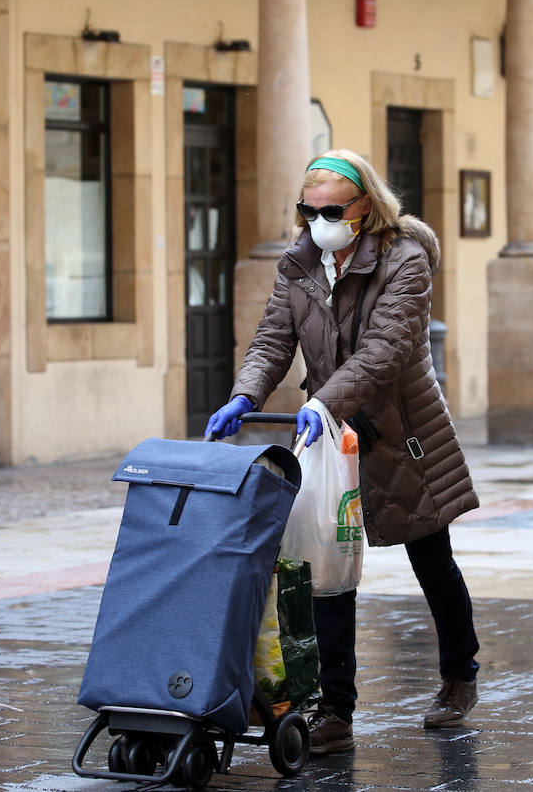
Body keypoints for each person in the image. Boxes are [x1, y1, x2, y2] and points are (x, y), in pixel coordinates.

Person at [205, 149, 481, 756]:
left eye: (331, 208)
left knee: (431, 559)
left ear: (365, 206)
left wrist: (325, 401)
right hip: (329, 435)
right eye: (308, 209)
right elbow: (275, 335)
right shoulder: (300, 262)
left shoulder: (405, 261)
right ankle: (335, 711)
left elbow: (384, 352)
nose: (318, 219)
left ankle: (460, 675)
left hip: (401, 436)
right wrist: (246, 393)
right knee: (325, 570)